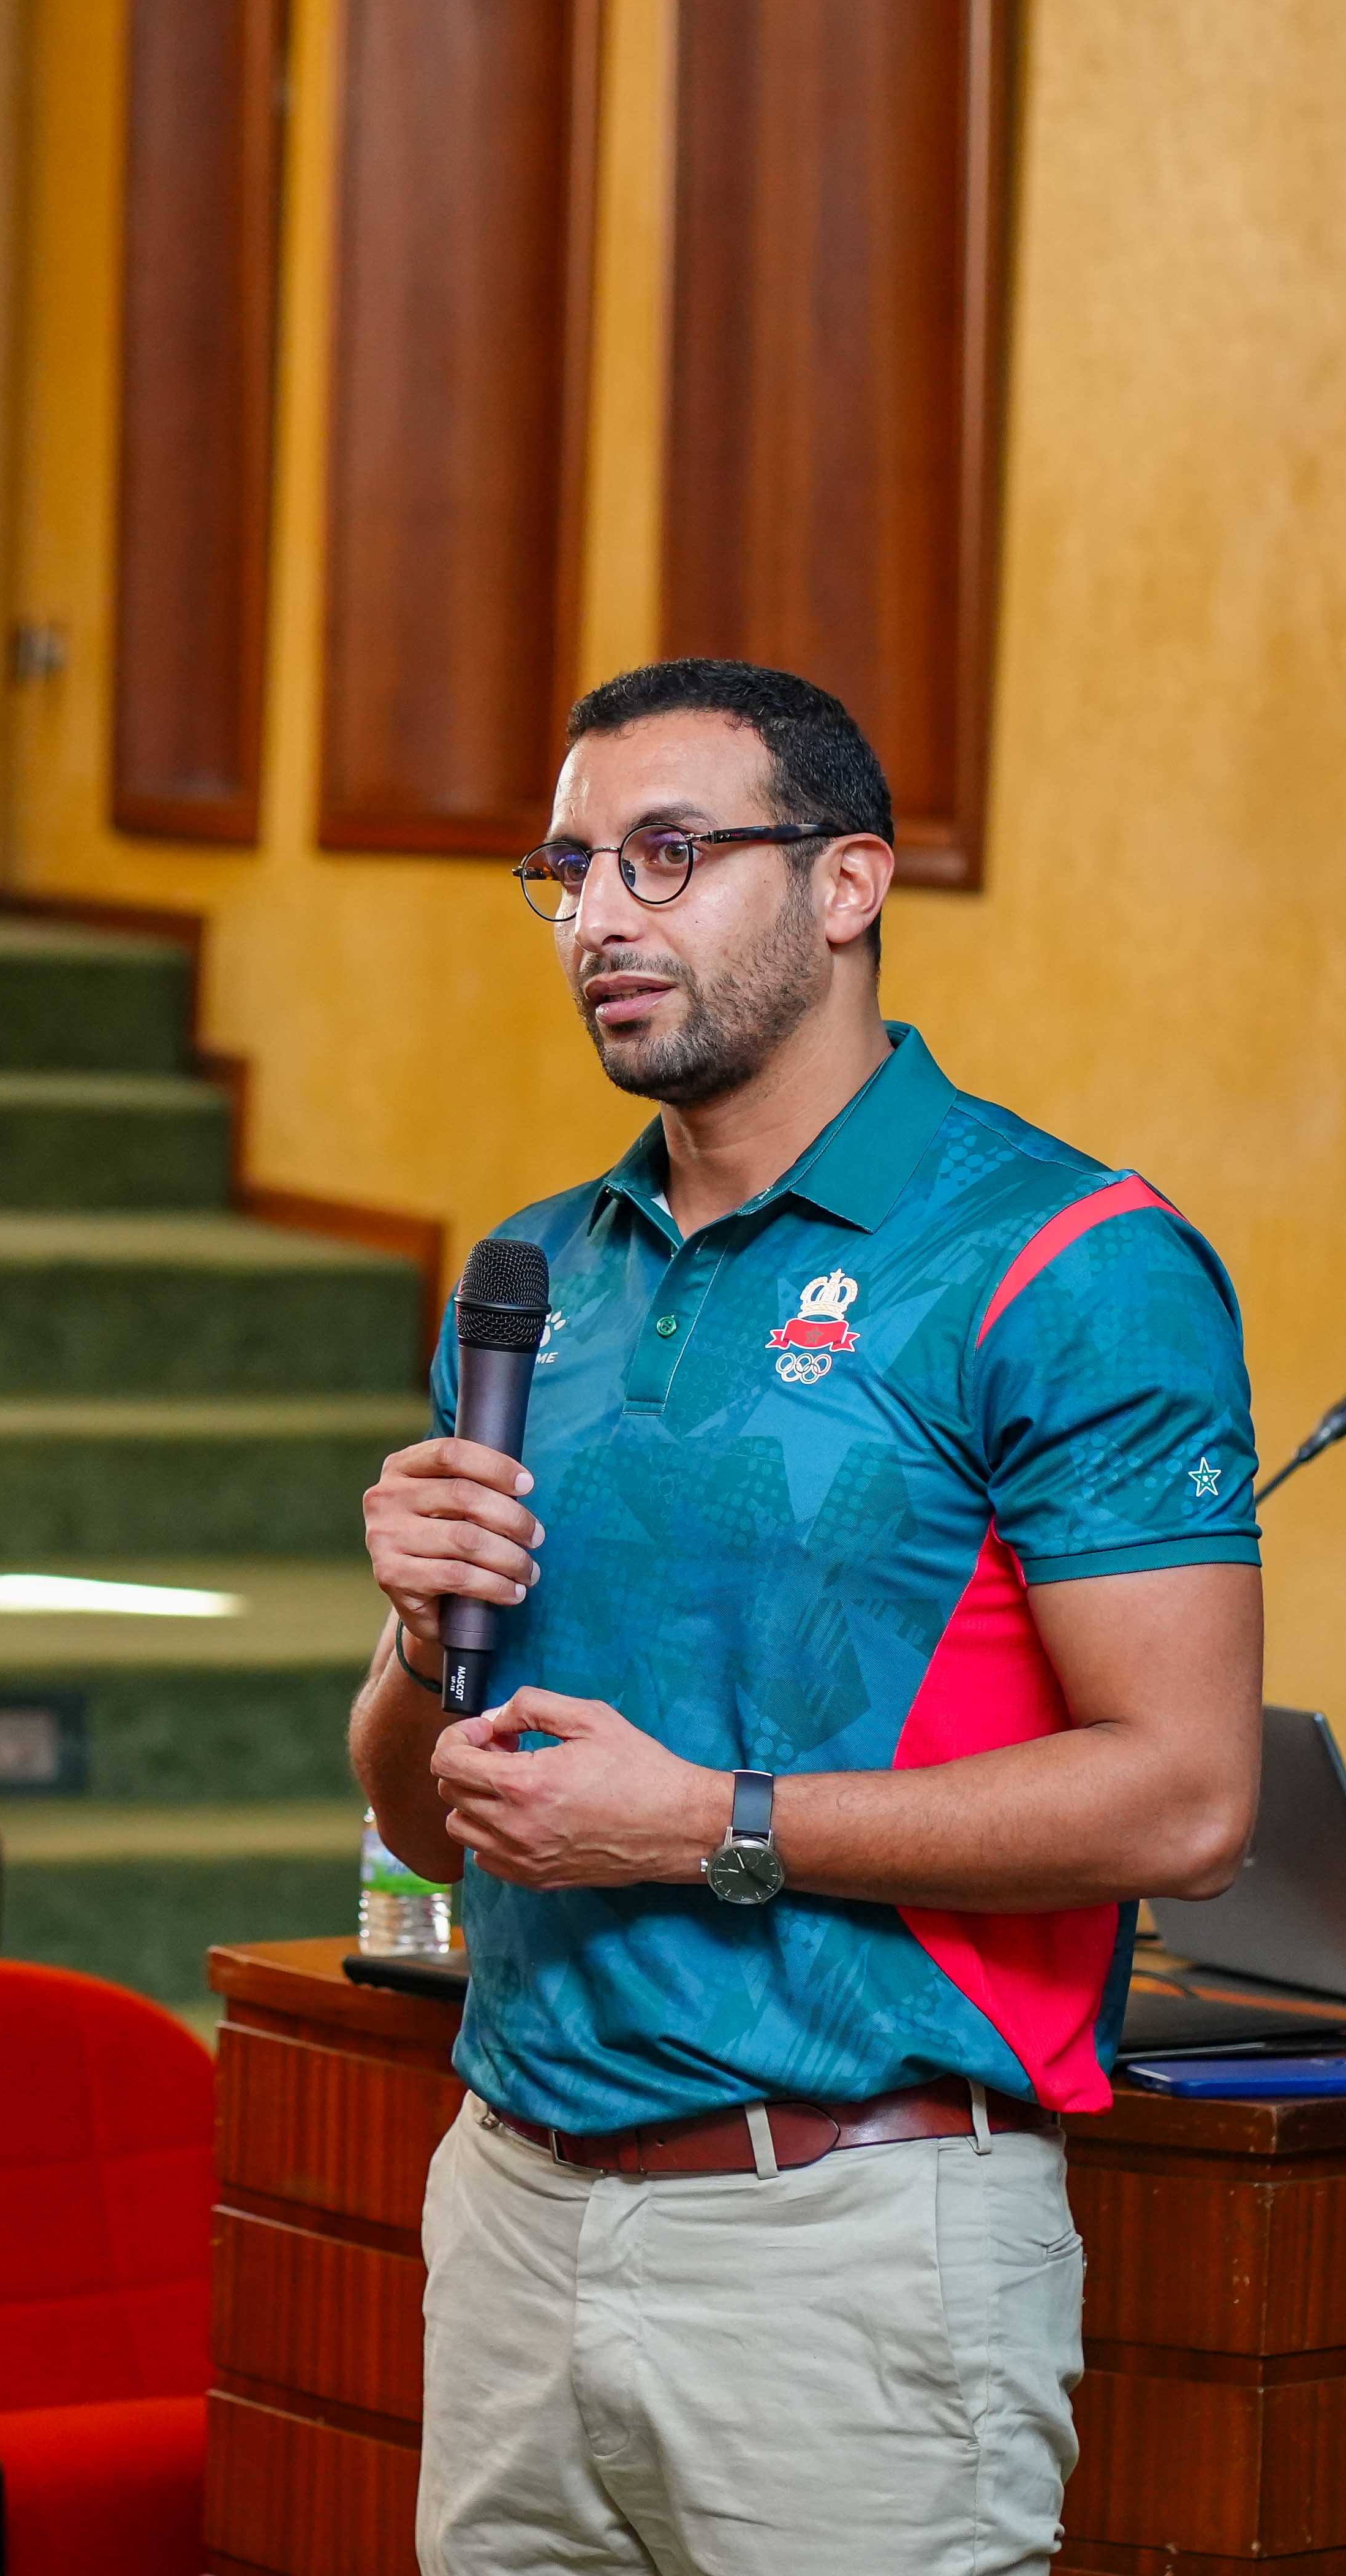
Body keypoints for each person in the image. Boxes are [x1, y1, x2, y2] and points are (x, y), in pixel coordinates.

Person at [349, 660, 1266, 2576]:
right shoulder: (536, 1280)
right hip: (514, 2206)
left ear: (848, 883)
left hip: (848, 2245)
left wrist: (703, 1823)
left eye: (669, 855)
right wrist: (423, 1642)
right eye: (570, 870)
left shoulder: (1064, 1261)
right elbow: (426, 1820)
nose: (601, 918)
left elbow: (1186, 1800)